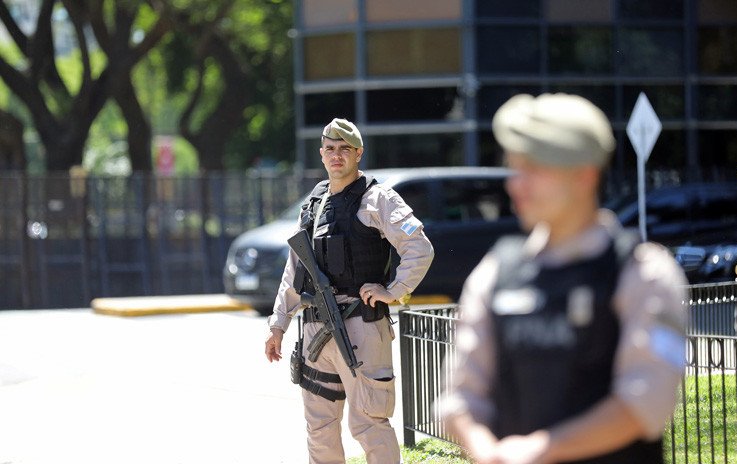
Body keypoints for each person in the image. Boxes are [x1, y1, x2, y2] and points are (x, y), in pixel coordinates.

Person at [439, 94, 688, 464]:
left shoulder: (644, 274)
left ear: (585, 175)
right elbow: (459, 399)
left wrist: (542, 449)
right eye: (515, 168)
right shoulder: (496, 272)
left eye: (534, 170)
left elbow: (646, 404)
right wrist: (487, 452)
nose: (515, 185)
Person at [264, 118, 434, 464]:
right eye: (330, 149)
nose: (336, 155)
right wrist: (278, 324)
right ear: (322, 154)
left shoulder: (377, 198)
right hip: (315, 328)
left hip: (360, 326)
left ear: (359, 153)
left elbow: (419, 247)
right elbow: (296, 269)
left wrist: (394, 290)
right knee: (319, 427)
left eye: (344, 149)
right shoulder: (313, 202)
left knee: (369, 424)